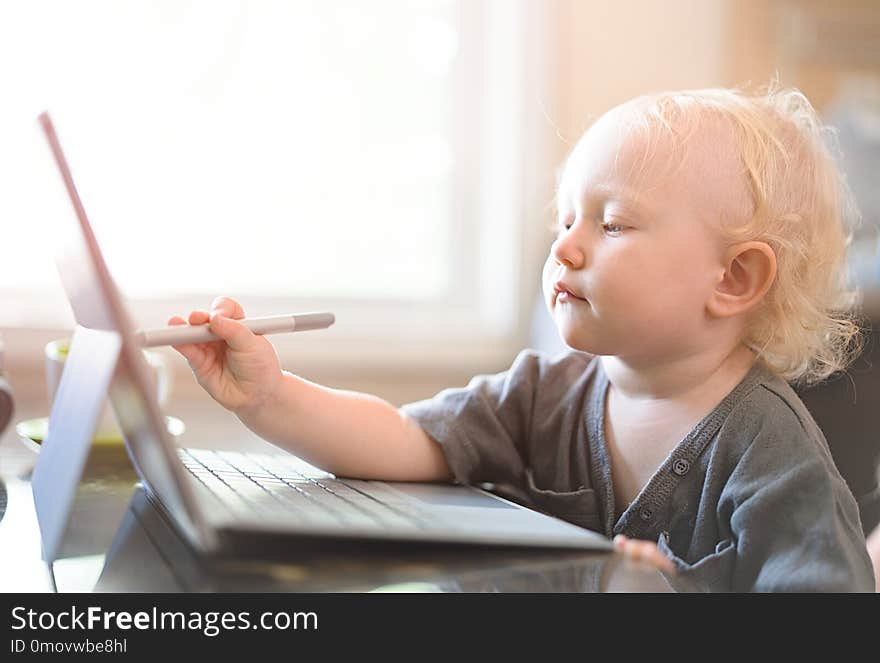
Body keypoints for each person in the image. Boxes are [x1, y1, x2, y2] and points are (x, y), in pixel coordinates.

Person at [169, 84, 875, 592]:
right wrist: (267, 397)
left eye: (613, 223)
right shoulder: (544, 390)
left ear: (733, 277)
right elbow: (403, 441)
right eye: (567, 218)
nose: (565, 247)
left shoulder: (769, 451)